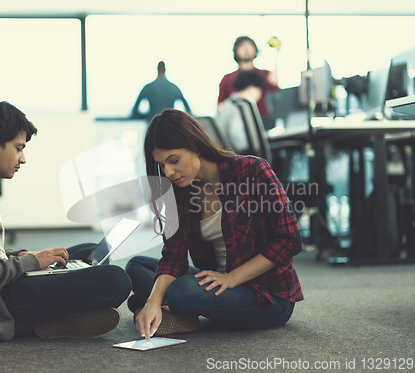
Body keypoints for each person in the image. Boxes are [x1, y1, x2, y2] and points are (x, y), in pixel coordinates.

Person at [0, 101, 131, 343]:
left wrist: (19, 255)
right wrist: (29, 262)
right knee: (116, 279)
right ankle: (35, 322)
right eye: (19, 148)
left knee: (87, 251)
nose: (23, 158)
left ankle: (58, 312)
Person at [125, 109, 303, 342]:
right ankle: (168, 310)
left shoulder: (253, 171)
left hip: (265, 295)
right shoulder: (180, 192)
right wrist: (152, 302)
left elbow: (288, 239)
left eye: (174, 160)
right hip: (217, 281)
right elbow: (173, 258)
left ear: (195, 145)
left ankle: (179, 307)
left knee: (182, 291)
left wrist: (232, 278)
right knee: (136, 267)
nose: (168, 172)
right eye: (162, 165)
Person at [218, 36, 279, 127]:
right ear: (236, 51)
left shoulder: (263, 74)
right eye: (242, 46)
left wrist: (277, 53)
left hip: (262, 121)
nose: (246, 48)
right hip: (238, 123)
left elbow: (273, 84)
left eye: (250, 45)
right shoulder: (227, 78)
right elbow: (220, 105)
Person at [217, 70, 265, 154]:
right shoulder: (242, 105)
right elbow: (239, 140)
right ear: (252, 88)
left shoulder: (227, 104)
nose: (260, 95)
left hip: (228, 155)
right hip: (241, 157)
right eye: (259, 90)